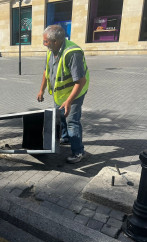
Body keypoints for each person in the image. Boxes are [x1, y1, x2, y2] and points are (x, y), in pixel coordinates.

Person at [37, 25, 89, 164]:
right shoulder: (51, 51)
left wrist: (69, 101)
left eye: (45, 41)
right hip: (59, 93)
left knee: (72, 121)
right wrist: (41, 89)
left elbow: (81, 81)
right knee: (60, 117)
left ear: (56, 41)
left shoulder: (72, 53)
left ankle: (79, 152)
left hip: (75, 93)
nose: (44, 44)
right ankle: (65, 138)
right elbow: (46, 71)